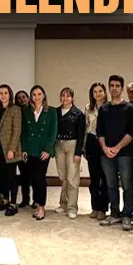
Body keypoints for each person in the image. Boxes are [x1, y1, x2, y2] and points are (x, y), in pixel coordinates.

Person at [98, 75, 133, 231]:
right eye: (112, 85)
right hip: (106, 153)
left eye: (117, 86)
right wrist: (105, 148)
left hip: (125, 154)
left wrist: (117, 147)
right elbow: (100, 132)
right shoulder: (103, 109)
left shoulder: (130, 109)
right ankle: (114, 213)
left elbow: (131, 132)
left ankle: (127, 215)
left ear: (122, 88)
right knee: (111, 185)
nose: (114, 88)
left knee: (127, 185)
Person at [21, 85, 56, 220]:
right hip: (30, 150)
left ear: (43, 95)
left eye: (39, 94)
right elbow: (24, 132)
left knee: (40, 178)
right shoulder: (26, 111)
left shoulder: (51, 111)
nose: (37, 97)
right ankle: (36, 204)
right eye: (34, 94)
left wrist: (48, 150)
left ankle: (42, 206)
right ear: (31, 97)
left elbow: (53, 132)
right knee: (34, 179)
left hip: (43, 151)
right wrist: (24, 149)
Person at [55, 88, 85, 219]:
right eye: (63, 96)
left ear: (72, 98)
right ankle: (63, 204)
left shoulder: (78, 114)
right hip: (59, 145)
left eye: (68, 96)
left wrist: (78, 152)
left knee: (72, 177)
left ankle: (72, 207)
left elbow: (81, 135)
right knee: (64, 176)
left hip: (72, 145)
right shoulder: (55, 112)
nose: (65, 98)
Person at [0, 85, 22, 217]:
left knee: (11, 178)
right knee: (2, 177)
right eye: (1, 93)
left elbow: (17, 131)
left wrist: (12, 149)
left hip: (10, 149)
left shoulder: (15, 109)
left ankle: (13, 204)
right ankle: (5, 200)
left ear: (10, 94)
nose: (3, 95)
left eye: (5, 93)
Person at [84, 83, 109, 221]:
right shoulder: (88, 108)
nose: (98, 94)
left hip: (105, 143)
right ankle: (94, 206)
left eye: (100, 91)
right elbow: (86, 127)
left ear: (105, 93)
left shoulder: (109, 107)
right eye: (95, 92)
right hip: (92, 142)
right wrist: (83, 148)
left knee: (104, 178)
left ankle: (103, 208)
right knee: (94, 178)